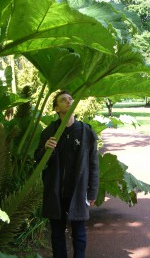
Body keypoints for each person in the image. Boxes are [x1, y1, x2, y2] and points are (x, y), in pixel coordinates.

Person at [34, 90, 99, 258]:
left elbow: (93, 164)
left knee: (79, 234)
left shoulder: (86, 132)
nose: (69, 102)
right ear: (56, 108)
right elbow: (39, 160)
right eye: (63, 100)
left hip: (78, 191)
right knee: (57, 234)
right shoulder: (49, 132)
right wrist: (45, 150)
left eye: (70, 99)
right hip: (55, 192)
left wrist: (92, 191)